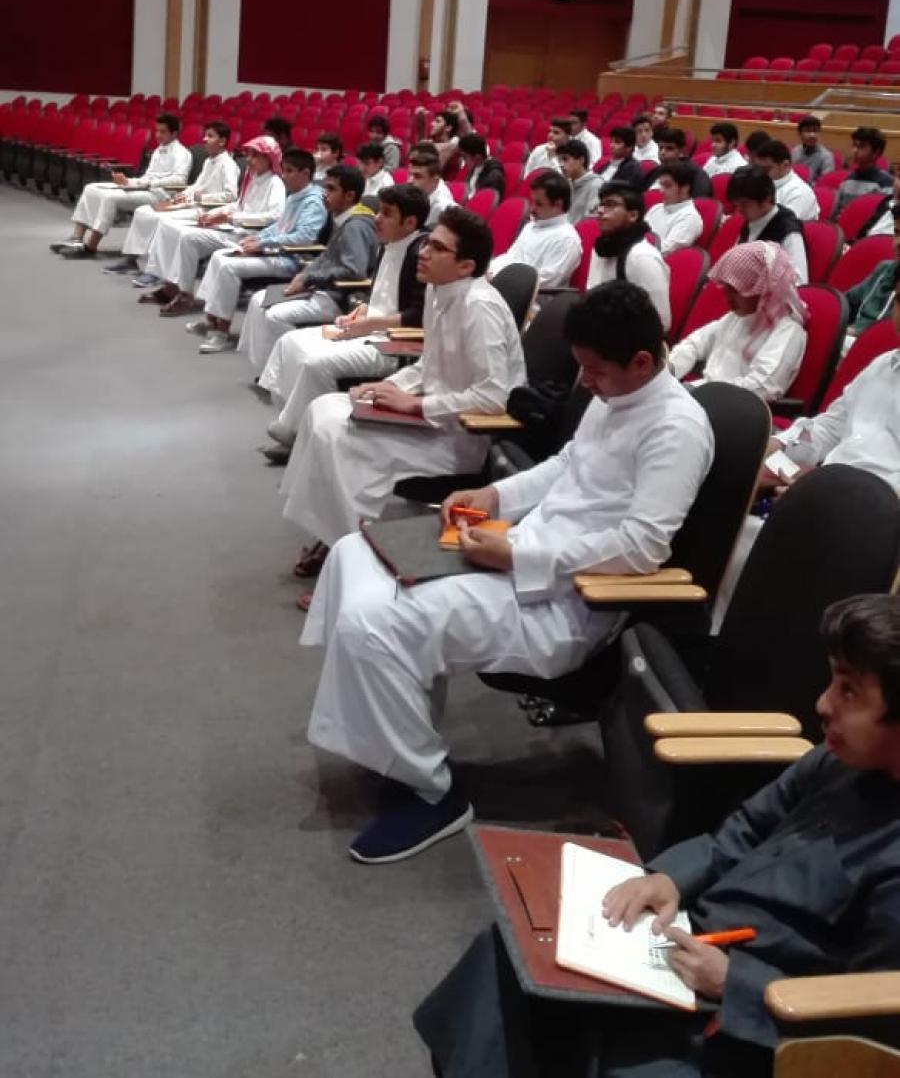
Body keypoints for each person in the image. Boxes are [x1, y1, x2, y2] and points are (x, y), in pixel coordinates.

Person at [300, 282, 713, 863]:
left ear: (642, 361)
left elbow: (642, 548)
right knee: (354, 553)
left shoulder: (677, 428)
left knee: (374, 624)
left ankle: (432, 793)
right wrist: (494, 496)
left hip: (566, 600)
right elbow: (566, 467)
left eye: (595, 371)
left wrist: (516, 557)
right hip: (521, 551)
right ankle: (399, 734)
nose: (585, 382)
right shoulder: (616, 394)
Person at [414, 593, 900, 1078]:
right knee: (515, 954)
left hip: (761, 1023)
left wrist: (735, 984)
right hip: (696, 939)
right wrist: (668, 878)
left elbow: (866, 1017)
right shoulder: (837, 759)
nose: (823, 703)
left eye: (850, 692)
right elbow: (747, 828)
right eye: (832, 682)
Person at [282, 205, 527, 574]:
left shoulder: (480, 307)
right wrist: (387, 385)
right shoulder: (439, 291)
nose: (423, 252)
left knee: (341, 437)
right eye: (427, 243)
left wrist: (414, 406)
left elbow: (493, 397)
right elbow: (429, 365)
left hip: (461, 435)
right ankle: (336, 536)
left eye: (438, 248)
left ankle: (348, 556)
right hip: (433, 415)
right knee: (324, 408)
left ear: (465, 266)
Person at [258, 184, 430, 458]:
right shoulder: (388, 244)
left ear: (409, 223)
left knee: (316, 365)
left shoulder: (421, 255)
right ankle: (293, 425)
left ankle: (305, 438)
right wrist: (362, 310)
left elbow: (417, 316)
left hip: (394, 345)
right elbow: (382, 295)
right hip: (372, 328)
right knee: (289, 342)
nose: (377, 218)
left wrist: (369, 324)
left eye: (386, 213)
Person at [761, 265, 900, 495]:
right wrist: (778, 446)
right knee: (745, 468)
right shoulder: (883, 365)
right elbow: (830, 428)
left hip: (868, 506)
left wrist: (825, 494)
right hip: (824, 485)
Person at [239, 164, 377, 376]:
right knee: (259, 299)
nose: (324, 194)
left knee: (276, 316)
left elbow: (353, 271)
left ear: (349, 196)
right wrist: (306, 273)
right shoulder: (340, 218)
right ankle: (268, 371)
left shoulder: (355, 226)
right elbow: (328, 256)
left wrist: (309, 278)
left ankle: (286, 373)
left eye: (331, 189)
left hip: (340, 297)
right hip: (322, 287)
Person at [187, 149, 327, 354]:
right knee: (219, 256)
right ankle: (211, 320)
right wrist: (259, 238)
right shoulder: (296, 195)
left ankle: (222, 332)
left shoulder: (313, 202)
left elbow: (304, 238)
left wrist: (264, 243)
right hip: (274, 251)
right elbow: (279, 226)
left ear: (305, 173)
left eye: (289, 171)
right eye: (284, 170)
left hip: (291, 260)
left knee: (229, 267)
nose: (284, 176)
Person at [139, 135, 287, 317]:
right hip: (234, 228)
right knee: (174, 230)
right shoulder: (253, 178)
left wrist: (231, 218)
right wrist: (214, 214)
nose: (249, 159)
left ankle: (185, 295)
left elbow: (274, 216)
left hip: (249, 236)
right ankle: (170, 286)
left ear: (269, 158)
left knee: (188, 238)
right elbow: (238, 204)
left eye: (255, 155)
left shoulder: (275, 183)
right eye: (248, 154)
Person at [669, 242, 807, 402]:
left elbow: (762, 387)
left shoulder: (787, 331)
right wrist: (669, 371)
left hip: (729, 407)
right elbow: (695, 343)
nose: (727, 298)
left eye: (735, 290)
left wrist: (699, 391)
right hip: (702, 395)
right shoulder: (736, 318)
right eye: (726, 289)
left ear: (763, 290)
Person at [103, 121, 239, 276]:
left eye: (210, 136)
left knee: (162, 220)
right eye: (205, 135)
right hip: (193, 203)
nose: (204, 139)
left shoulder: (229, 165)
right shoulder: (209, 161)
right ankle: (132, 258)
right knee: (143, 211)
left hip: (206, 209)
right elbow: (197, 185)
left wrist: (201, 198)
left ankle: (154, 269)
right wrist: (184, 194)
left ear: (222, 141)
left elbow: (231, 196)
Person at [51, 112, 192, 259]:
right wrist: (128, 181)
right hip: (145, 188)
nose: (158, 135)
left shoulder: (183, 153)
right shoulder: (158, 150)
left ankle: (90, 246)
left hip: (160, 196)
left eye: (162, 132)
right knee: (91, 188)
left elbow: (179, 181)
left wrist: (149, 183)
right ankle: (76, 239)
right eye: (157, 131)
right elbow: (147, 176)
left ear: (174, 133)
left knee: (109, 198)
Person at [585, 185, 670, 330]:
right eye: (601, 205)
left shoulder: (642, 258)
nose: (600, 211)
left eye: (610, 205)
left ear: (633, 216)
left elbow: (660, 322)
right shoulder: (602, 248)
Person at [489, 171, 581, 290]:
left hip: (529, 296)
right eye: (532, 202)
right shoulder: (531, 226)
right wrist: (490, 271)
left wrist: (498, 280)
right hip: (503, 284)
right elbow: (510, 257)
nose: (532, 209)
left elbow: (544, 282)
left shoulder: (567, 239)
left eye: (539, 204)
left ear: (558, 204)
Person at [726, 167, 807, 283]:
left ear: (766, 199)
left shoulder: (787, 231)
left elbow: (799, 281)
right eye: (736, 205)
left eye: (744, 205)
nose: (739, 210)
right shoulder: (752, 220)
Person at [841, 205, 900, 352]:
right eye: (897, 233)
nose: (898, 243)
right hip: (849, 342)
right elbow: (844, 303)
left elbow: (889, 337)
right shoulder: (885, 269)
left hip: (879, 353)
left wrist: (855, 333)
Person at [755, 139, 819, 222]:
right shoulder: (764, 183)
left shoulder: (800, 193)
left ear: (785, 165)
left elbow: (782, 226)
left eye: (766, 169)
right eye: (758, 168)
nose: (761, 173)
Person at [646, 162, 703, 253]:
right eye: (661, 185)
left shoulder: (690, 218)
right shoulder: (656, 208)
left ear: (685, 188)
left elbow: (665, 251)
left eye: (668, 186)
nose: (661, 190)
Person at [835, 127, 893, 213]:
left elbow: (885, 215)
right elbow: (837, 212)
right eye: (854, 145)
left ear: (876, 152)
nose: (855, 150)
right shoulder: (847, 180)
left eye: (861, 146)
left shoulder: (885, 182)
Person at [646, 129, 713, 199]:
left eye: (669, 148)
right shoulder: (656, 171)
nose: (662, 152)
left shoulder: (697, 176)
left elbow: (700, 202)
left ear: (682, 152)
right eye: (661, 148)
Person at [406, 145, 455, 227]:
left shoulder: (442, 209)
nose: (410, 181)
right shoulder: (421, 193)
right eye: (410, 174)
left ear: (434, 180)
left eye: (417, 176)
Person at [556, 140, 599, 224]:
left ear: (581, 160)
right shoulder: (567, 184)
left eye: (565, 159)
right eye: (559, 160)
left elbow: (593, 220)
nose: (561, 165)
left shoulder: (597, 186)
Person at [593, 126, 644, 191]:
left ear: (629, 147)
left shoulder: (632, 169)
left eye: (617, 142)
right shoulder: (607, 163)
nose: (612, 145)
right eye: (611, 141)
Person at [457, 134, 506, 203]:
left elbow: (485, 202)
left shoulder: (494, 176)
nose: (463, 160)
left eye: (465, 156)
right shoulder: (475, 166)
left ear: (477, 157)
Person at [413, 108, 462, 174]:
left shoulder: (453, 146)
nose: (432, 124)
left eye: (438, 121)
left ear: (448, 128)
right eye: (433, 121)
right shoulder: (430, 143)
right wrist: (420, 123)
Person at [792, 115, 834, 184]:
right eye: (807, 131)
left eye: (815, 131)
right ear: (799, 134)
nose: (812, 135)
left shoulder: (826, 156)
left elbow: (825, 182)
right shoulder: (795, 151)